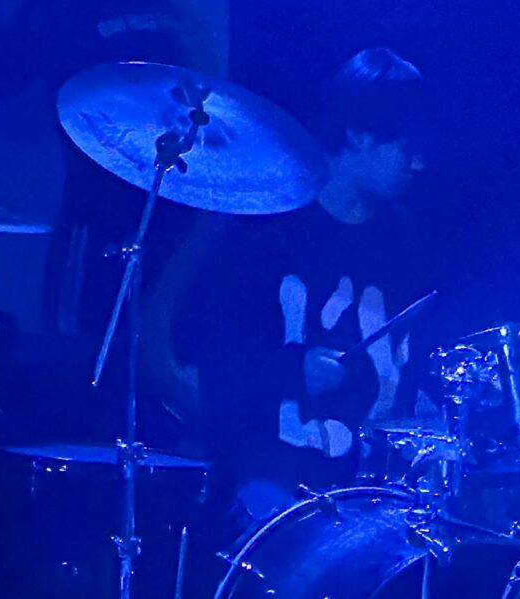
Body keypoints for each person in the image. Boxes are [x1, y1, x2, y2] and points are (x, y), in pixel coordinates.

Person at [141, 47, 437, 521]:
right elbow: (200, 361)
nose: (419, 165)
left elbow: (411, 361)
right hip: (265, 481)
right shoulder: (265, 226)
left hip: (373, 491)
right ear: (359, 134)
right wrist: (292, 369)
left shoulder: (406, 239)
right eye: (409, 148)